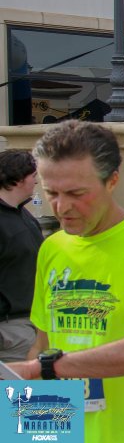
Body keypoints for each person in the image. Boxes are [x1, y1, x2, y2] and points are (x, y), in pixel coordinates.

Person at [9, 120, 124, 443]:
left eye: (76, 193)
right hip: (63, 429)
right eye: (51, 193)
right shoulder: (52, 248)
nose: (62, 207)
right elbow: (43, 343)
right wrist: (26, 428)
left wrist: (43, 369)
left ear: (112, 180)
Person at [0, 150, 43, 362]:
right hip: (11, 329)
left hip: (32, 320)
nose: (36, 181)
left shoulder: (23, 214)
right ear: (19, 177)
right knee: (31, 395)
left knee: (47, 392)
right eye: (34, 175)